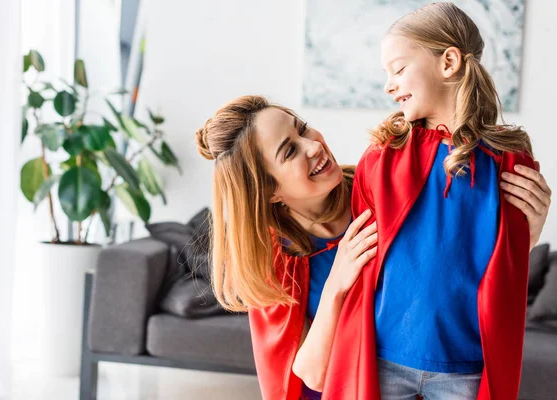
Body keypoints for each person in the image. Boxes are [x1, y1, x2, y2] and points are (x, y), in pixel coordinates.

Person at [195, 7, 551, 399]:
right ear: (269, 191)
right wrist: (336, 283)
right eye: (289, 151)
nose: (314, 145)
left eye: (302, 128)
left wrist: (523, 234)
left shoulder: (380, 182)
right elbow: (307, 375)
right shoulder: (276, 259)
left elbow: (451, 251)